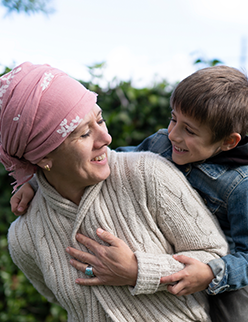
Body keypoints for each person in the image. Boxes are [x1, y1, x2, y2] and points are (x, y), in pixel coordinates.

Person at [1, 62, 228, 322]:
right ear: (43, 157)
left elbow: (215, 256)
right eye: (85, 133)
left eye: (99, 120)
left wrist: (138, 271)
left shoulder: (148, 174)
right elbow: (62, 301)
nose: (106, 138)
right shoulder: (23, 237)